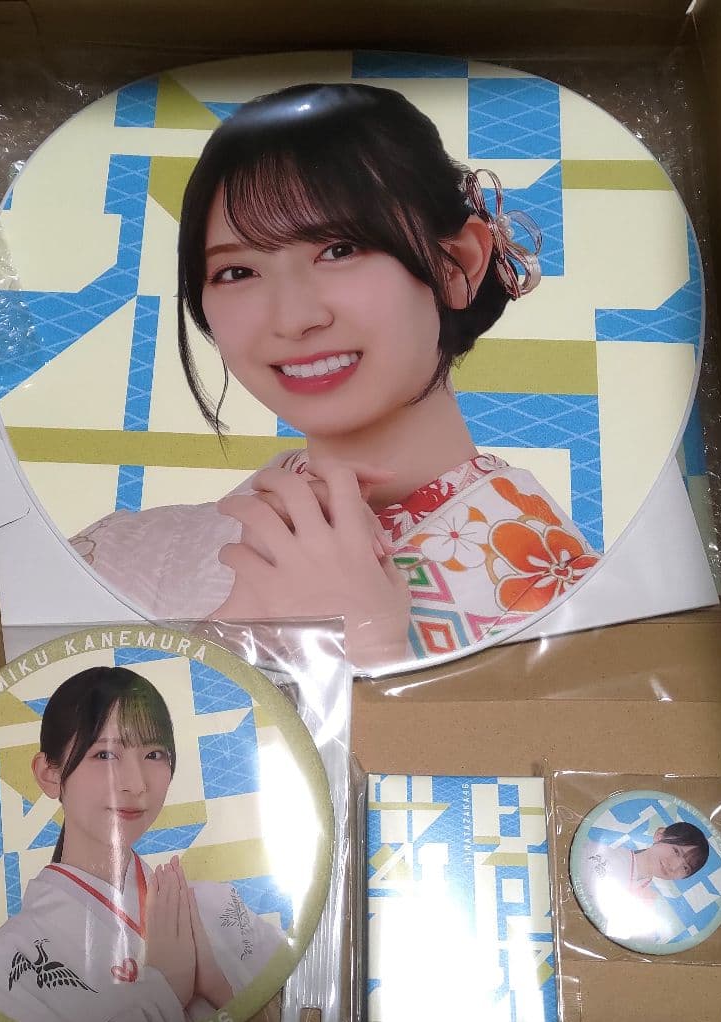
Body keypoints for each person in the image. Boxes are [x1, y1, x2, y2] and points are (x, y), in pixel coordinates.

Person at [70, 83, 599, 668]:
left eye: (341, 250)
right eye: (237, 271)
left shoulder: (589, 610)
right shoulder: (120, 556)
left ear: (458, 265)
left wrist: (362, 655)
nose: (294, 318)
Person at [0, 667, 286, 1022]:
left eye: (153, 754)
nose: (135, 784)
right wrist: (166, 987)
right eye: (104, 754)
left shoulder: (216, 906)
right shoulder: (6, 962)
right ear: (50, 774)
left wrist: (216, 983)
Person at [578, 822, 711, 943]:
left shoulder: (649, 907)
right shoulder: (595, 852)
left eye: (685, 868)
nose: (674, 866)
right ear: (659, 835)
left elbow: (637, 944)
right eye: (676, 851)